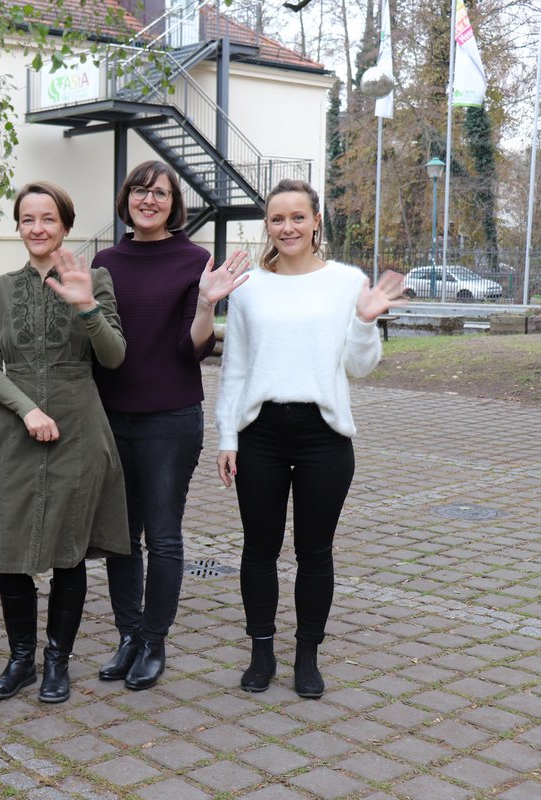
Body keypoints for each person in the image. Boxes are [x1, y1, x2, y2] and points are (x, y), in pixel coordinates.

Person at [216, 178, 404, 699]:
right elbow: (234, 368)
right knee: (259, 549)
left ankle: (307, 656)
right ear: (267, 226)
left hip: (324, 435)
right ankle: (260, 653)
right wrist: (226, 436)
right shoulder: (248, 285)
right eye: (277, 219)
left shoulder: (346, 283)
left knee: (314, 551)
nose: (288, 227)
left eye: (298, 217)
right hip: (261, 434)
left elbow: (360, 367)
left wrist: (365, 323)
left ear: (317, 221)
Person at [0, 181, 130, 705]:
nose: (37, 229)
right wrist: (27, 408)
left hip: (79, 431)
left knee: (67, 552)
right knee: (13, 551)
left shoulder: (94, 277)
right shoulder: (0, 287)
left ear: (65, 224)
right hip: (20, 429)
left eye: (48, 219)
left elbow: (114, 357)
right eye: (28, 220)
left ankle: (57, 660)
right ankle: (20, 660)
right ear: (18, 227)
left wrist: (87, 307)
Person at [92, 161, 248, 691]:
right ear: (127, 199)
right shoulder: (105, 261)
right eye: (140, 190)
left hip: (170, 419)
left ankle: (154, 641)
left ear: (173, 204)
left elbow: (192, 348)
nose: (149, 200)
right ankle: (128, 635)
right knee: (119, 539)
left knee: (162, 537)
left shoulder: (194, 260)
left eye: (160, 193)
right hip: (112, 418)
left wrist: (207, 302)